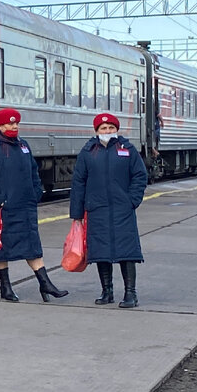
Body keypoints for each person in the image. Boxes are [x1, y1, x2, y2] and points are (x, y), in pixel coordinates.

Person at [0, 108, 70, 302]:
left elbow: (34, 171)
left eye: (16, 123)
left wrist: (36, 192)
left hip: (24, 206)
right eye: (10, 124)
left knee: (31, 244)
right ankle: (6, 287)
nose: (14, 126)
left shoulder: (23, 145)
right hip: (2, 209)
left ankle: (45, 283)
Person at [69, 112, 148, 308]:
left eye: (111, 128)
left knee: (127, 252)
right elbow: (79, 182)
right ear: (96, 131)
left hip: (123, 209)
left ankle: (131, 294)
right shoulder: (88, 152)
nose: (107, 131)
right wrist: (77, 213)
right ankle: (107, 292)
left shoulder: (127, 150)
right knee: (101, 251)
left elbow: (140, 175)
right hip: (97, 209)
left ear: (117, 130)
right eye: (103, 128)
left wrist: (133, 200)